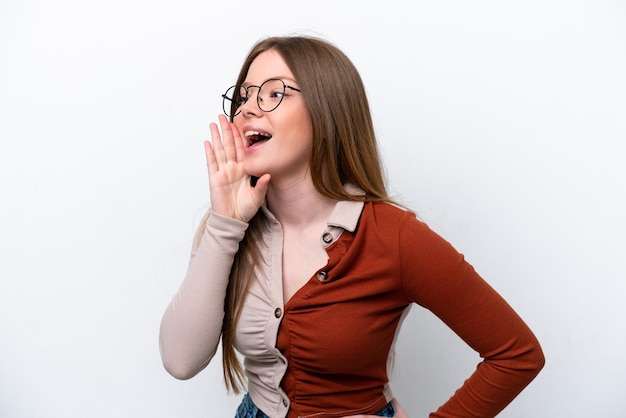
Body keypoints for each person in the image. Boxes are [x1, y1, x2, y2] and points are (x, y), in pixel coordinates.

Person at [159, 35, 544, 418]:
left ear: (327, 111)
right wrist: (226, 223)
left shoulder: (393, 236)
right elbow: (180, 362)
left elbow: (516, 354)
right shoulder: (228, 226)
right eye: (244, 96)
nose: (247, 110)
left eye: (273, 94)